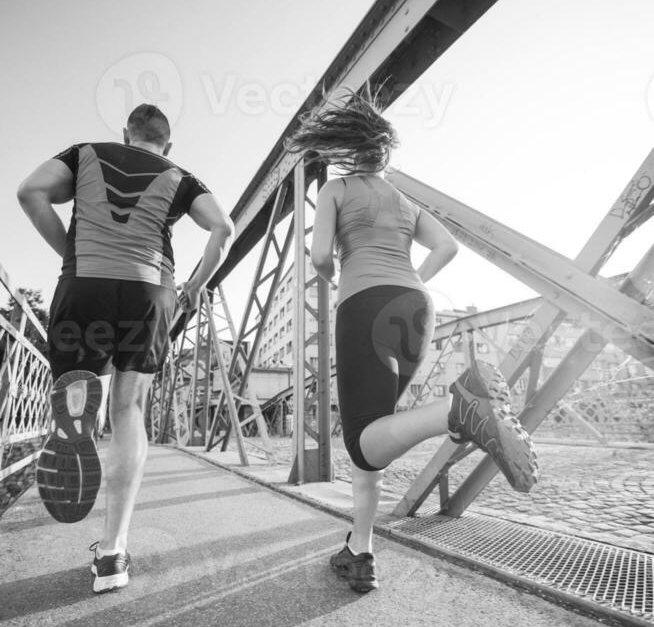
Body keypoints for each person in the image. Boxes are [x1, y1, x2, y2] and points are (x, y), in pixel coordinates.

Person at [286, 89, 538, 594]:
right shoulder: (405, 200)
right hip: (415, 305)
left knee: (360, 439)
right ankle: (361, 551)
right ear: (384, 154)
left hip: (365, 304)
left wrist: (340, 271)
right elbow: (447, 245)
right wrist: (412, 277)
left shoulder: (336, 191)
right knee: (376, 436)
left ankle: (459, 410)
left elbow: (316, 258)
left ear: (349, 150)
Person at [17, 104, 234, 593]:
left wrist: (72, 254)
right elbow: (224, 228)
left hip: (84, 285)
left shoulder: (84, 152)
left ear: (126, 135)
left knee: (80, 384)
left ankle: (76, 415)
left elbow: (29, 192)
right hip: (149, 290)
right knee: (130, 407)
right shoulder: (181, 175)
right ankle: (113, 555)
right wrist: (197, 284)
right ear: (167, 145)